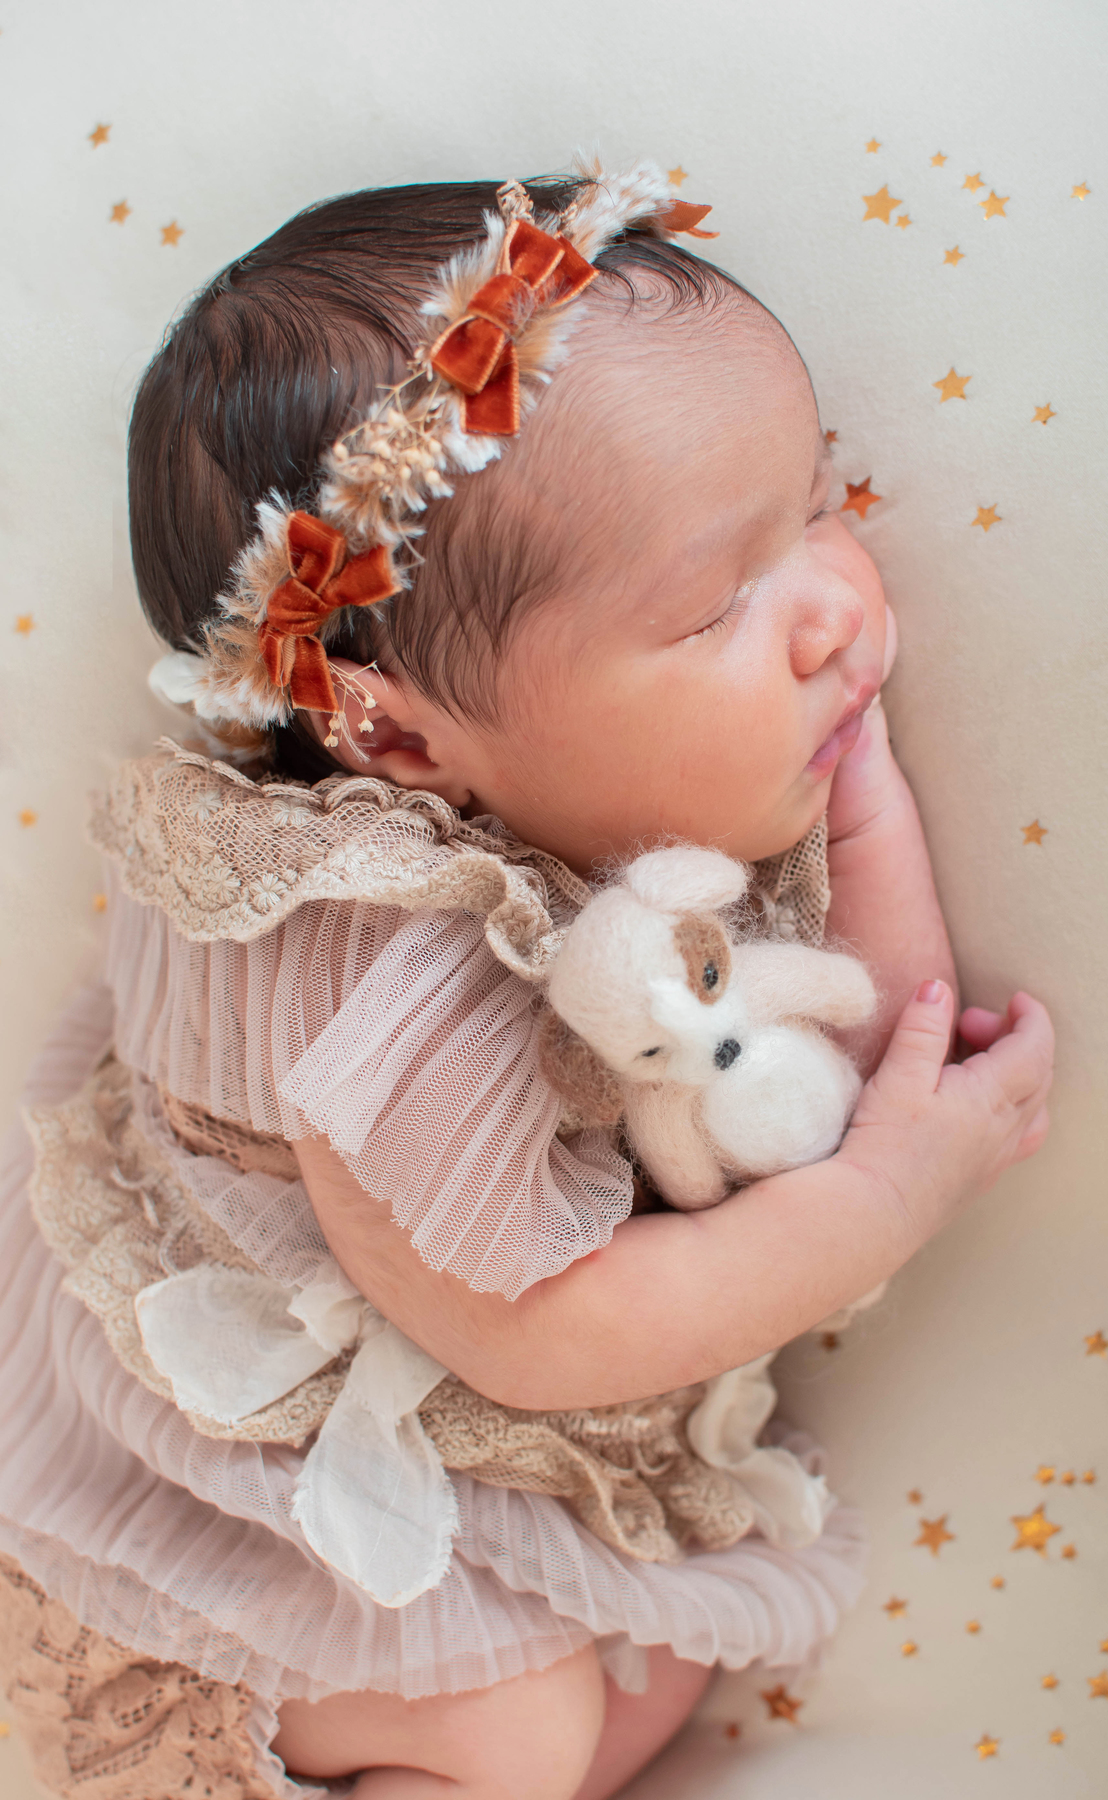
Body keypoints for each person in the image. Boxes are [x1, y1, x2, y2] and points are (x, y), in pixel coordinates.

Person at [0, 161, 1054, 1800]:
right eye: (715, 606)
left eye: (816, 505)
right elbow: (538, 1333)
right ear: (402, 740)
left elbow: (847, 1046)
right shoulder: (383, 976)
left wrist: (864, 807)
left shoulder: (603, 789)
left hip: (473, 1428)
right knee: (513, 1730)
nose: (834, 608)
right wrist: (888, 1201)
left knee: (658, 1666)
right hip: (239, 1504)